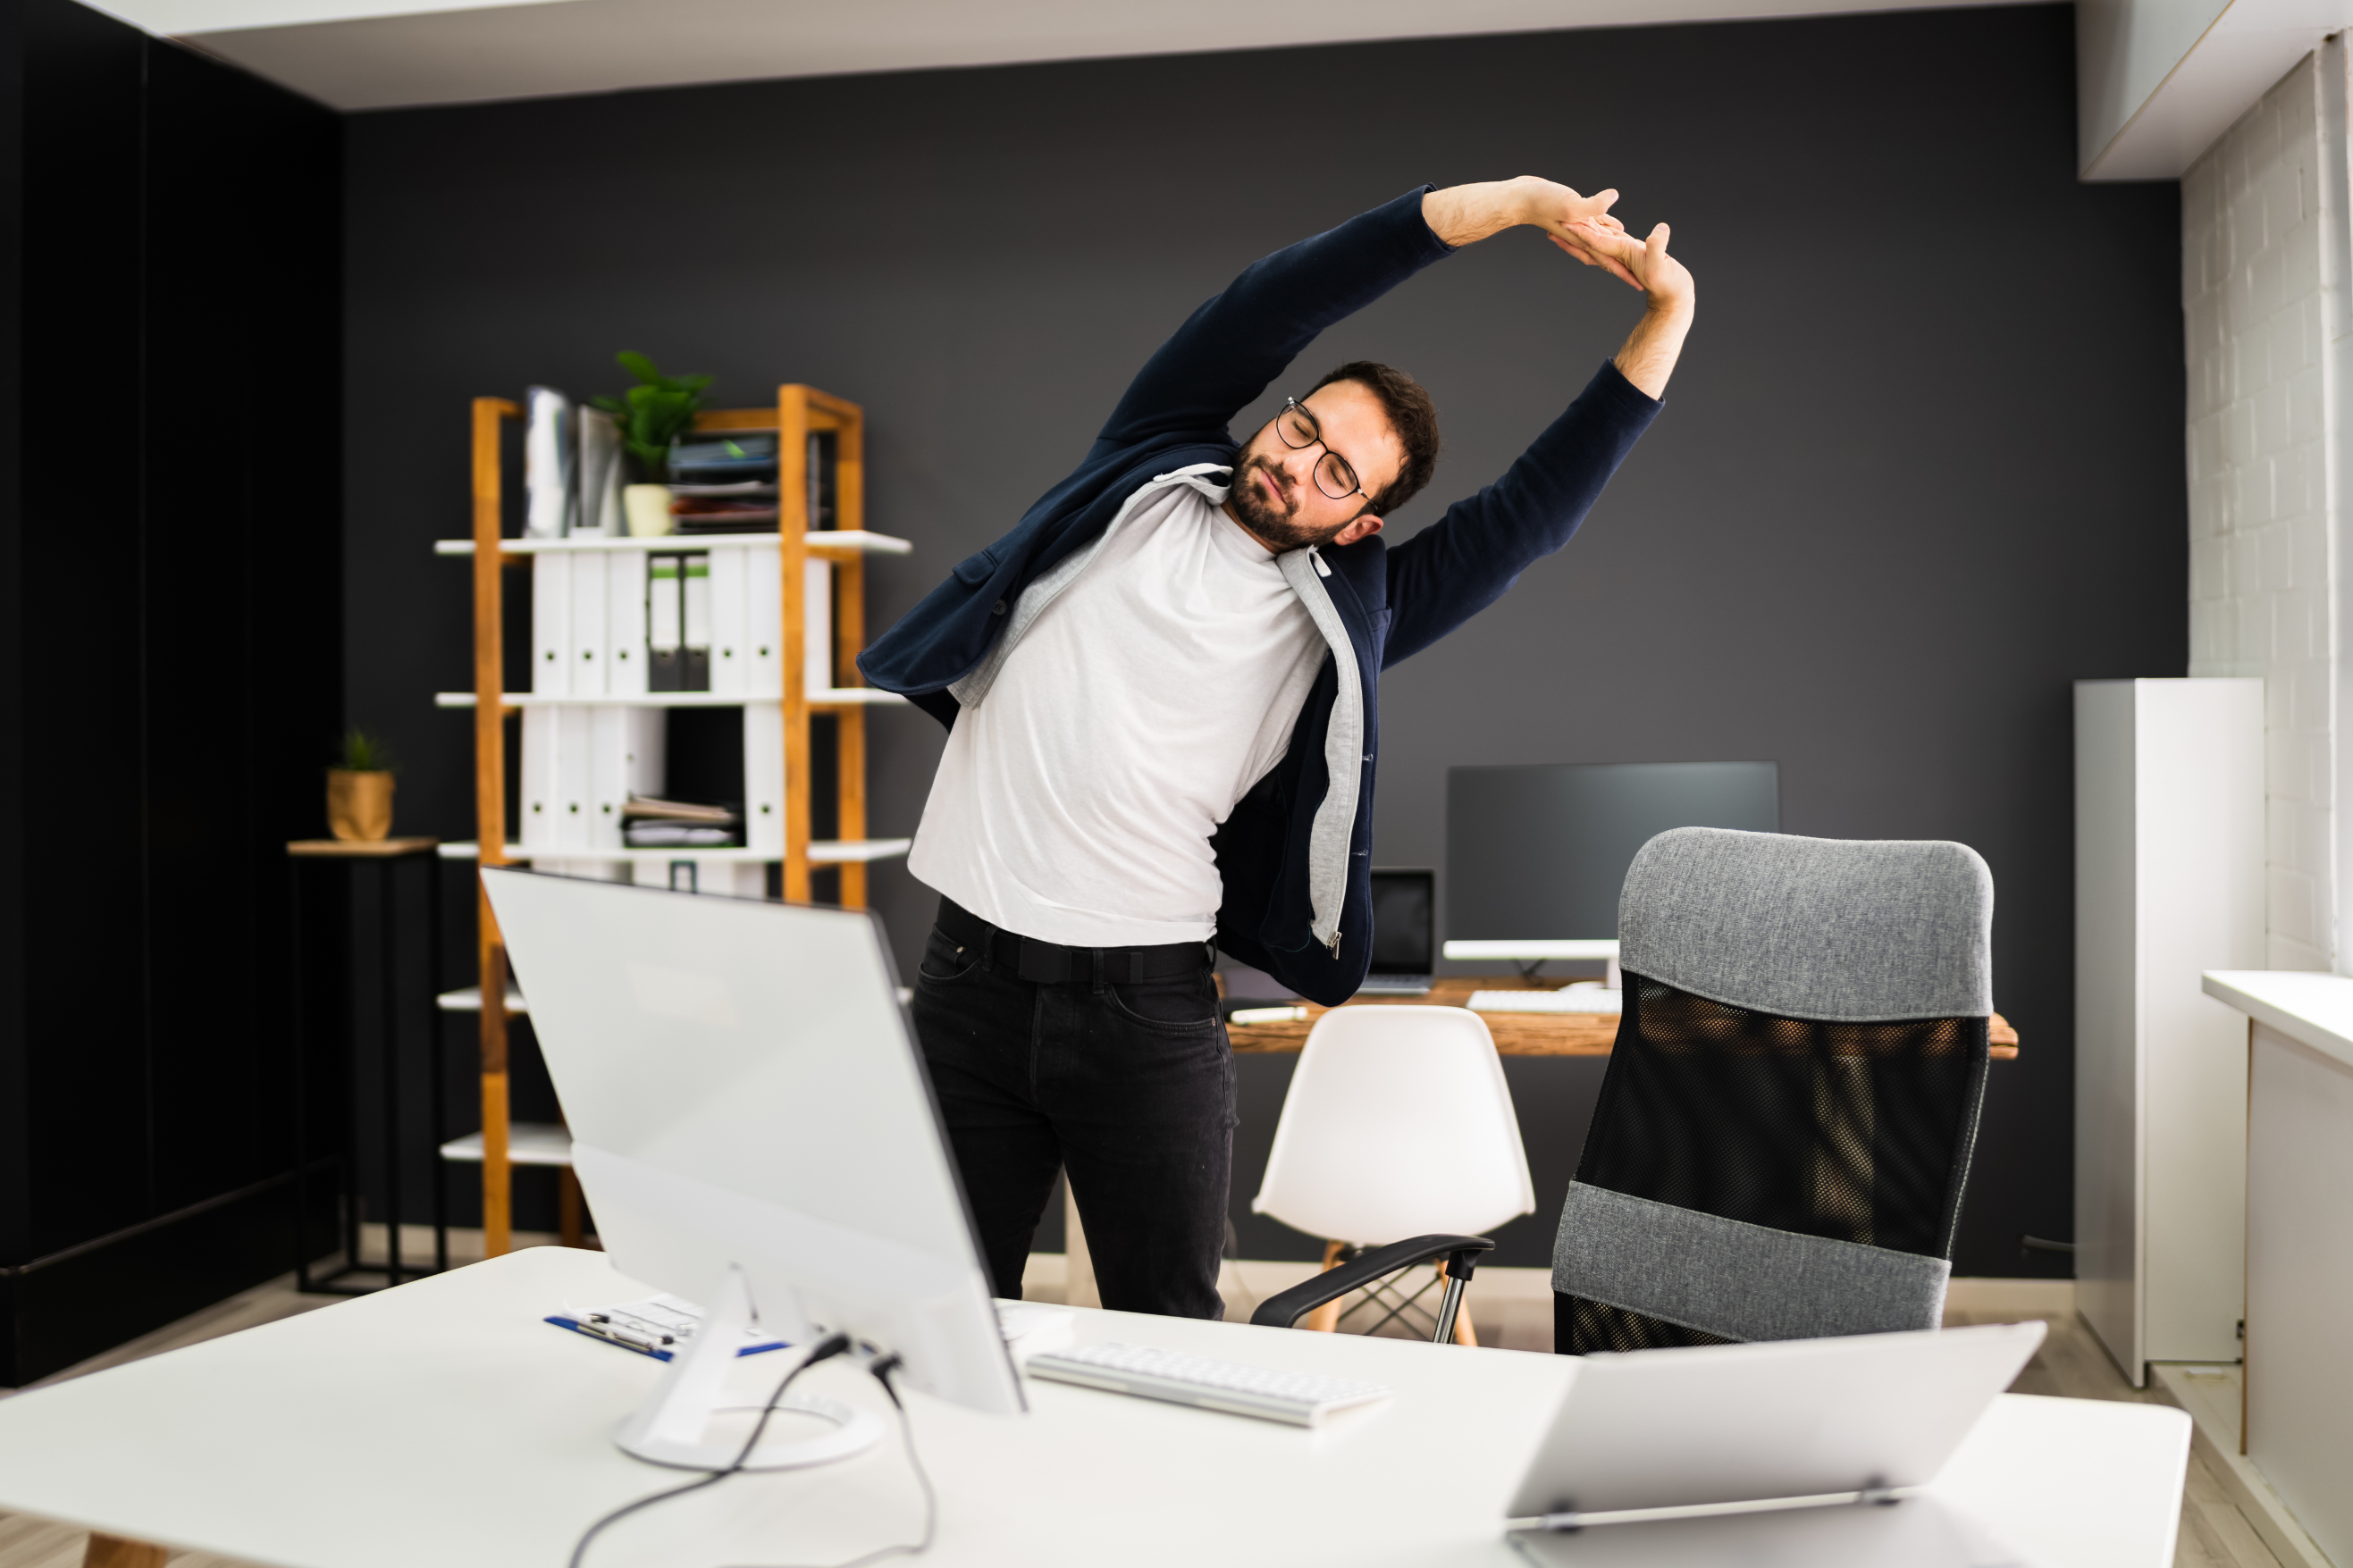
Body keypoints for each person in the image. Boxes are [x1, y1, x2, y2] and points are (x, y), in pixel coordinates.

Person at [858, 177, 1695, 1317]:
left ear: (1359, 522)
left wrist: (1666, 317)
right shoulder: (1144, 468)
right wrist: (1502, 205)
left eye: (1336, 472)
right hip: (963, 981)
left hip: (1141, 1014)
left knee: (1171, 1337)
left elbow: (1530, 515)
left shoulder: (1343, 620)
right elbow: (1272, 302)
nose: (1295, 464)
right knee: (942, 1319)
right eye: (1304, 427)